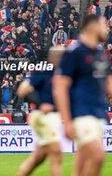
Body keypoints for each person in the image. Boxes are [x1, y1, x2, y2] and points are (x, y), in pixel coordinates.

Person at [53, 14, 112, 176]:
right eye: (103, 25)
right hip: (81, 113)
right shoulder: (75, 52)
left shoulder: (100, 52)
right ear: (92, 27)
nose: (107, 28)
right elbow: (60, 87)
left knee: (82, 165)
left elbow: (109, 84)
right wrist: (66, 120)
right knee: (98, 154)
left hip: (98, 113)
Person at [16, 46, 65, 176]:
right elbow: (22, 90)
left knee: (38, 158)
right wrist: (41, 103)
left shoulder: (64, 74)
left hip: (52, 117)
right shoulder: (44, 72)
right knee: (56, 153)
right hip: (43, 116)